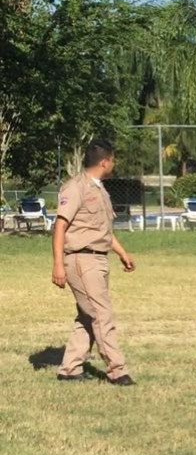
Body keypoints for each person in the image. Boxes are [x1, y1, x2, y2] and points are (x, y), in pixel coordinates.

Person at [52, 139, 136, 385]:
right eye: (113, 160)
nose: (114, 164)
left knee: (88, 316)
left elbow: (102, 231)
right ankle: (117, 370)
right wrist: (58, 264)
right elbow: (60, 227)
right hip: (81, 258)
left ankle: (70, 369)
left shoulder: (100, 190)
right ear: (105, 162)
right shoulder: (75, 187)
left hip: (99, 258)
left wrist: (122, 252)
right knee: (101, 314)